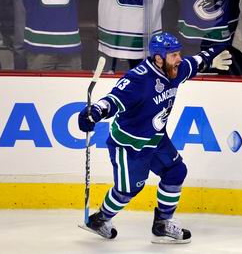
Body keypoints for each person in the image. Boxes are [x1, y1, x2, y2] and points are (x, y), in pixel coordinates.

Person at [77, 32, 232, 243]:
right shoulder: (138, 79)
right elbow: (112, 100)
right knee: (128, 190)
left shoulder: (175, 70)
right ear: (158, 58)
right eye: (174, 55)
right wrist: (94, 112)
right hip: (129, 145)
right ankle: (100, 219)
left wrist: (217, 50)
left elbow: (196, 62)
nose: (179, 59)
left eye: (179, 53)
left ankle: (162, 224)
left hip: (156, 139)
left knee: (176, 171)